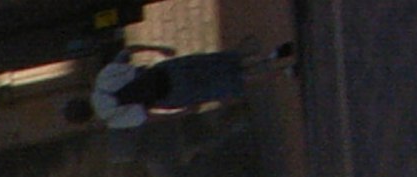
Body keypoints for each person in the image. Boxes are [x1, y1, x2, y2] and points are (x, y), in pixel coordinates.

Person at [68, 41, 293, 128]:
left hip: (170, 96)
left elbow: (148, 116)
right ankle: (272, 55)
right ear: (82, 99)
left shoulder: (112, 120)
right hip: (166, 71)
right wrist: (157, 49)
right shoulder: (102, 80)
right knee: (222, 62)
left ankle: (284, 71)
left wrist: (182, 112)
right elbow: (126, 53)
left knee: (230, 85)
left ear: (86, 118)